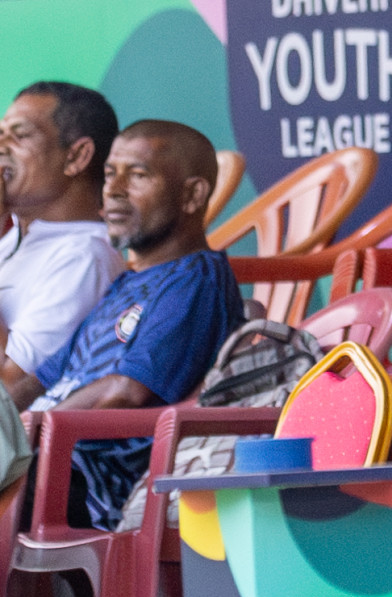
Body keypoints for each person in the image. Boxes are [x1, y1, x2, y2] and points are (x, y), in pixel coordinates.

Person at [10, 120, 242, 531]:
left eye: (137, 175)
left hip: (95, 480)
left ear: (192, 195)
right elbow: (39, 379)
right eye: (110, 175)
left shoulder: (194, 280)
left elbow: (129, 389)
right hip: (47, 455)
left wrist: (36, 433)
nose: (113, 191)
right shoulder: (128, 282)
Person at [0, 82, 124, 395]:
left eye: (19, 135)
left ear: (77, 157)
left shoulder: (83, 255)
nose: (1, 147)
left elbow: (8, 390)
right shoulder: (14, 239)